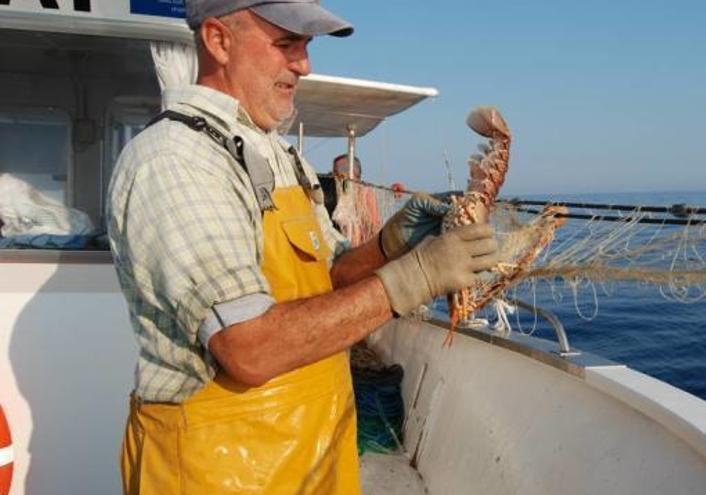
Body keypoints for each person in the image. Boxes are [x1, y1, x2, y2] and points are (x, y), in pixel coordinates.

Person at [105, 1, 498, 494]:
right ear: (218, 40)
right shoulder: (176, 160)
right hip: (219, 473)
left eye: (306, 46)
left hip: (310, 458)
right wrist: (415, 278)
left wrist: (393, 243)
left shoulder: (274, 151)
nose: (304, 65)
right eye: (285, 43)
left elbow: (327, 278)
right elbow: (249, 348)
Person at [330, 154, 382, 246]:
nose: (333, 177)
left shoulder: (366, 192)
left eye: (335, 173)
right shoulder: (335, 192)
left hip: (359, 248)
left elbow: (374, 227)